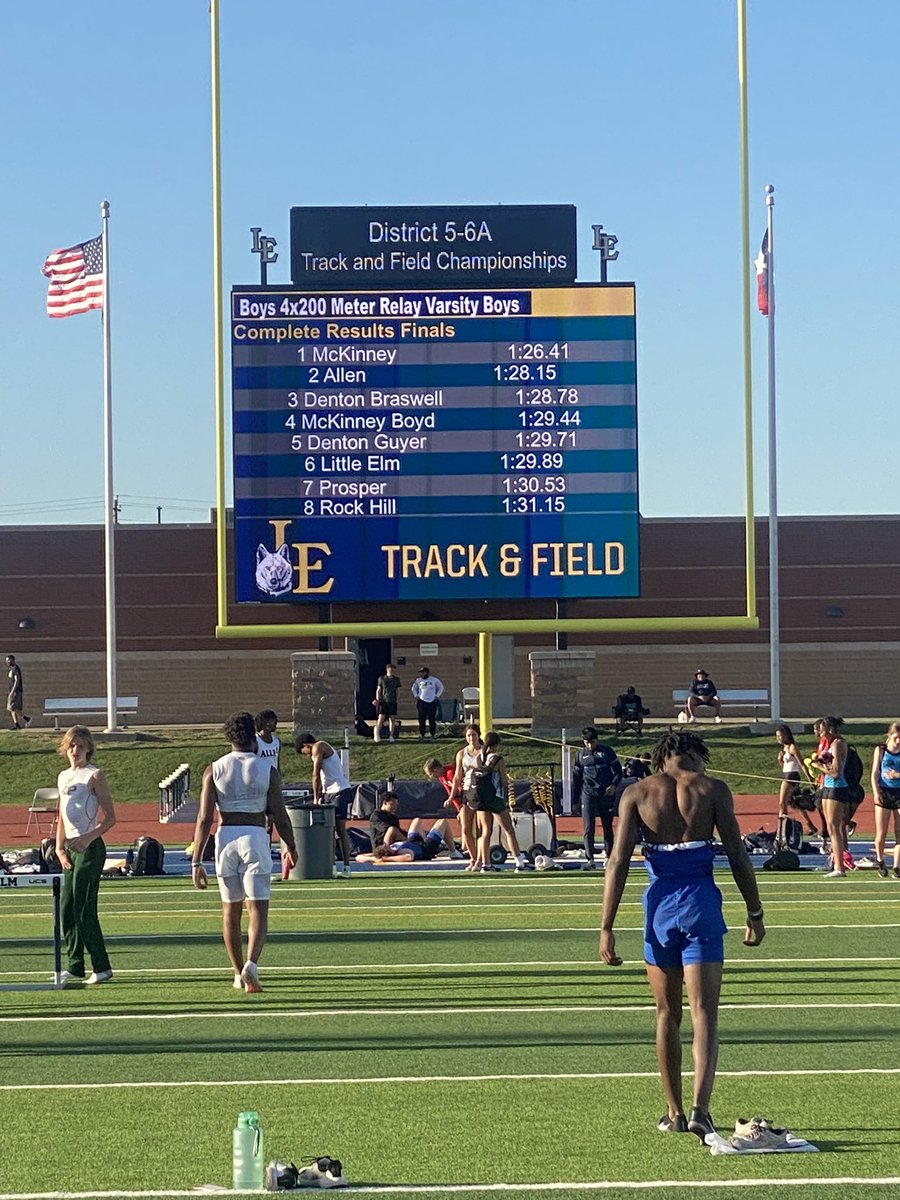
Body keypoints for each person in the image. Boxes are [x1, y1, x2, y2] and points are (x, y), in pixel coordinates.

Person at [599, 730, 765, 1139]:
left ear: (661, 758)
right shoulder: (712, 789)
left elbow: (618, 861)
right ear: (693, 754)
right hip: (700, 905)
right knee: (703, 1012)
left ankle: (673, 1111)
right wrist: (755, 910)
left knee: (666, 1014)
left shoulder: (637, 792)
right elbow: (738, 854)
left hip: (659, 910)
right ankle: (700, 1109)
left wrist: (606, 926)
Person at [191, 712, 297, 993]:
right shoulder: (267, 769)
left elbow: (204, 819)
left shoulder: (214, 769)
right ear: (254, 736)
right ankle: (252, 963)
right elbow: (280, 815)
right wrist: (291, 845)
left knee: (230, 909)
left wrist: (196, 860)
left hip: (226, 837)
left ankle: (237, 972)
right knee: (258, 907)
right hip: (255, 836)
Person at [54, 725, 117, 985]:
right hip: (71, 849)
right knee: (67, 908)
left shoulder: (94, 775)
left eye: (80, 746)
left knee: (84, 907)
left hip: (90, 849)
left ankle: (101, 966)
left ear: (88, 748)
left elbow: (110, 818)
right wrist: (59, 848)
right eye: (71, 745)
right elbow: (61, 815)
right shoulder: (63, 777)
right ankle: (75, 965)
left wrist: (88, 837)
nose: (75, 750)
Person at [469, 731, 531, 874]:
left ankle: (486, 865)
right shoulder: (498, 759)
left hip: (481, 798)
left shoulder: (478, 758)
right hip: (495, 797)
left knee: (485, 832)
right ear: (496, 745)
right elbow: (503, 781)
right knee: (509, 830)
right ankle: (519, 863)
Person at [297, 732, 354, 877]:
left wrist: (316, 799)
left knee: (339, 829)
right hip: (328, 793)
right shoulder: (317, 751)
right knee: (329, 830)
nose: (307, 756)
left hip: (339, 790)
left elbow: (315, 774)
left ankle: (346, 867)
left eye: (304, 752)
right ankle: (332, 867)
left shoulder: (319, 746)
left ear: (306, 745)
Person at [573, 726, 622, 869]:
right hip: (588, 794)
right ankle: (590, 859)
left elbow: (618, 772)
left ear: (597, 740)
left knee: (607, 826)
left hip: (605, 794)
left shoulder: (607, 752)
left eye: (592, 742)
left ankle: (609, 857)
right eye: (587, 743)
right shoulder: (580, 755)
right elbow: (577, 778)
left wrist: (613, 785)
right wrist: (575, 800)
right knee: (588, 827)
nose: (590, 746)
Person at [811, 715, 852, 877]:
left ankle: (839, 867)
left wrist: (818, 766)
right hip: (828, 786)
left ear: (829, 729)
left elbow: (836, 772)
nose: (820, 733)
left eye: (822, 730)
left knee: (835, 828)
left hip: (837, 787)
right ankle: (835, 863)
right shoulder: (830, 744)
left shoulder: (838, 744)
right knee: (830, 827)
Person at [773, 723, 818, 837]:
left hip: (791, 777)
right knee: (795, 803)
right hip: (787, 775)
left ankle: (782, 829)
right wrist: (780, 760)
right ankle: (810, 825)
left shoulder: (792, 747)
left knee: (782, 803)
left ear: (786, 735)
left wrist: (810, 779)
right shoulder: (784, 749)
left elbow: (802, 764)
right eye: (777, 736)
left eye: (780, 736)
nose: (779, 738)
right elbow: (785, 766)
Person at [358, 817, 456, 863]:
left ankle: (428, 838)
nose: (386, 845)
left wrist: (372, 858)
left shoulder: (388, 849)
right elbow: (409, 857)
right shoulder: (400, 852)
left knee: (416, 820)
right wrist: (385, 859)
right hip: (425, 849)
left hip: (412, 842)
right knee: (442, 822)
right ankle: (454, 852)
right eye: (386, 847)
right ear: (388, 853)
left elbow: (359, 857)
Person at [871, 722, 900, 879]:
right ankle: (880, 860)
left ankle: (897, 865)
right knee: (881, 832)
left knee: (899, 832)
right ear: (889, 736)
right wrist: (876, 792)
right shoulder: (881, 750)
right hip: (884, 791)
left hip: (899, 791)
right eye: (896, 738)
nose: (898, 742)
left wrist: (897, 775)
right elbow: (875, 773)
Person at [410, 666, 444, 739]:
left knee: (432, 719)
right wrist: (416, 695)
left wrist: (437, 695)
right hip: (422, 702)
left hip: (431, 701)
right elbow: (413, 688)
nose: (422, 674)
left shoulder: (434, 680)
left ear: (427, 673)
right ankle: (422, 734)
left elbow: (441, 687)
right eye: (421, 673)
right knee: (422, 719)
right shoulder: (418, 680)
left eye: (423, 672)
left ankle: (432, 734)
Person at [373, 662, 401, 742]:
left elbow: (398, 690)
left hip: (392, 701)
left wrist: (397, 699)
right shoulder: (382, 678)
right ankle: (377, 734)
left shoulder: (396, 679)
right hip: (384, 701)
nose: (392, 670)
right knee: (381, 718)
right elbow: (378, 690)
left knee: (392, 719)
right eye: (390, 668)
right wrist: (377, 700)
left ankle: (391, 735)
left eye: (393, 668)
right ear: (387, 669)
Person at [5, 654, 31, 729]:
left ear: (12, 660)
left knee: (13, 708)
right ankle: (16, 724)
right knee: (11, 708)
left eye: (8, 660)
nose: (7, 662)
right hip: (12, 691)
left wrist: (13, 691)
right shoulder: (12, 668)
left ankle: (27, 718)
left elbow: (17, 680)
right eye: (6, 660)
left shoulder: (15, 668)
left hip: (16, 691)